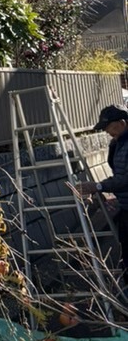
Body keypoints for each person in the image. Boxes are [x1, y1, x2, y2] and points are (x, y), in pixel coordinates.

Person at [77, 104, 128, 294]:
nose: (107, 132)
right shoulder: (118, 143)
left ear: (122, 123)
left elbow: (125, 178)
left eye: (110, 127)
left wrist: (98, 186)